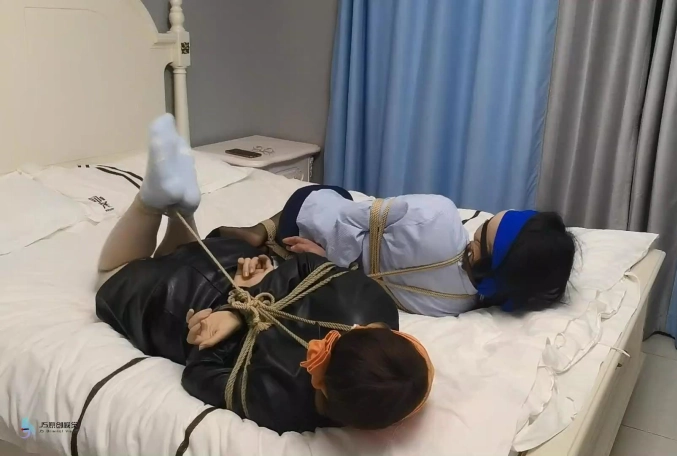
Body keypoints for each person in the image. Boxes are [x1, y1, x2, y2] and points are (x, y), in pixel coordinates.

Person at [95, 114, 433, 433]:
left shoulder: (372, 305)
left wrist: (250, 292)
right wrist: (235, 313)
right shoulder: (282, 405)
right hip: (180, 300)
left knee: (123, 271)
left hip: (224, 267)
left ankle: (158, 203)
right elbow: (199, 375)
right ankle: (164, 204)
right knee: (121, 275)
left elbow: (304, 265)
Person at [216, 187, 577, 316]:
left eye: (480, 235)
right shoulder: (458, 304)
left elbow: (355, 214)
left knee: (337, 194)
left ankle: (261, 230)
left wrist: (326, 253)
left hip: (307, 230)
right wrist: (325, 263)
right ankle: (266, 235)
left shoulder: (440, 214)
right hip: (327, 265)